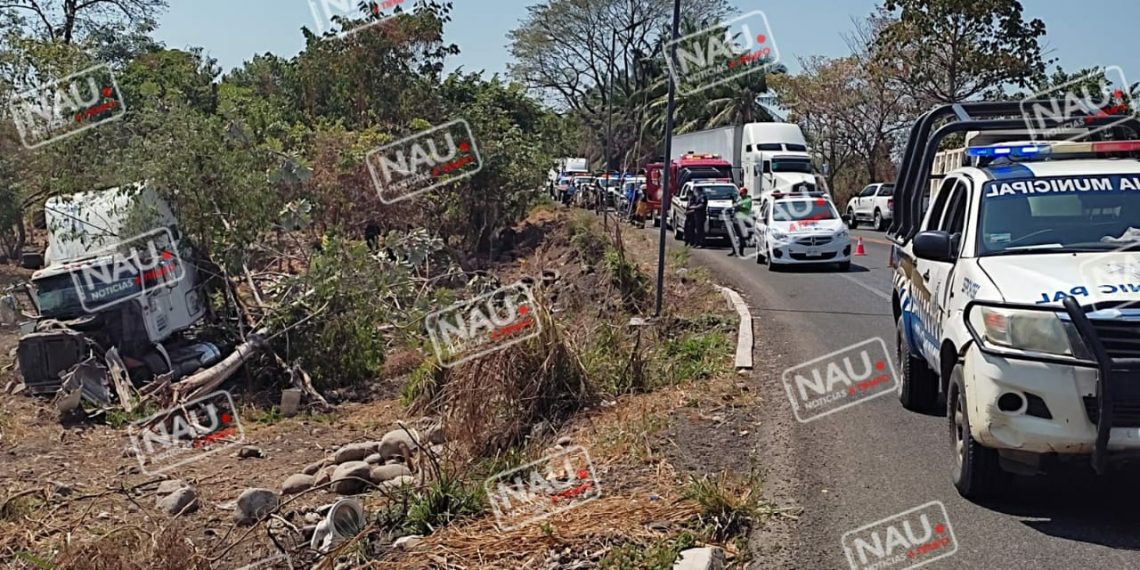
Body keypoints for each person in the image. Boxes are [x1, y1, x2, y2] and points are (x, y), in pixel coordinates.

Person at [727, 187, 752, 257]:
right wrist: (734, 203)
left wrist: (737, 206)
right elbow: (735, 206)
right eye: (740, 193)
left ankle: (740, 252)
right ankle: (734, 251)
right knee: (734, 236)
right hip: (736, 219)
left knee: (741, 237)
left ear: (745, 193)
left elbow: (743, 208)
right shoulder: (739, 198)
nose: (740, 194)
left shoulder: (747, 200)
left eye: (742, 193)